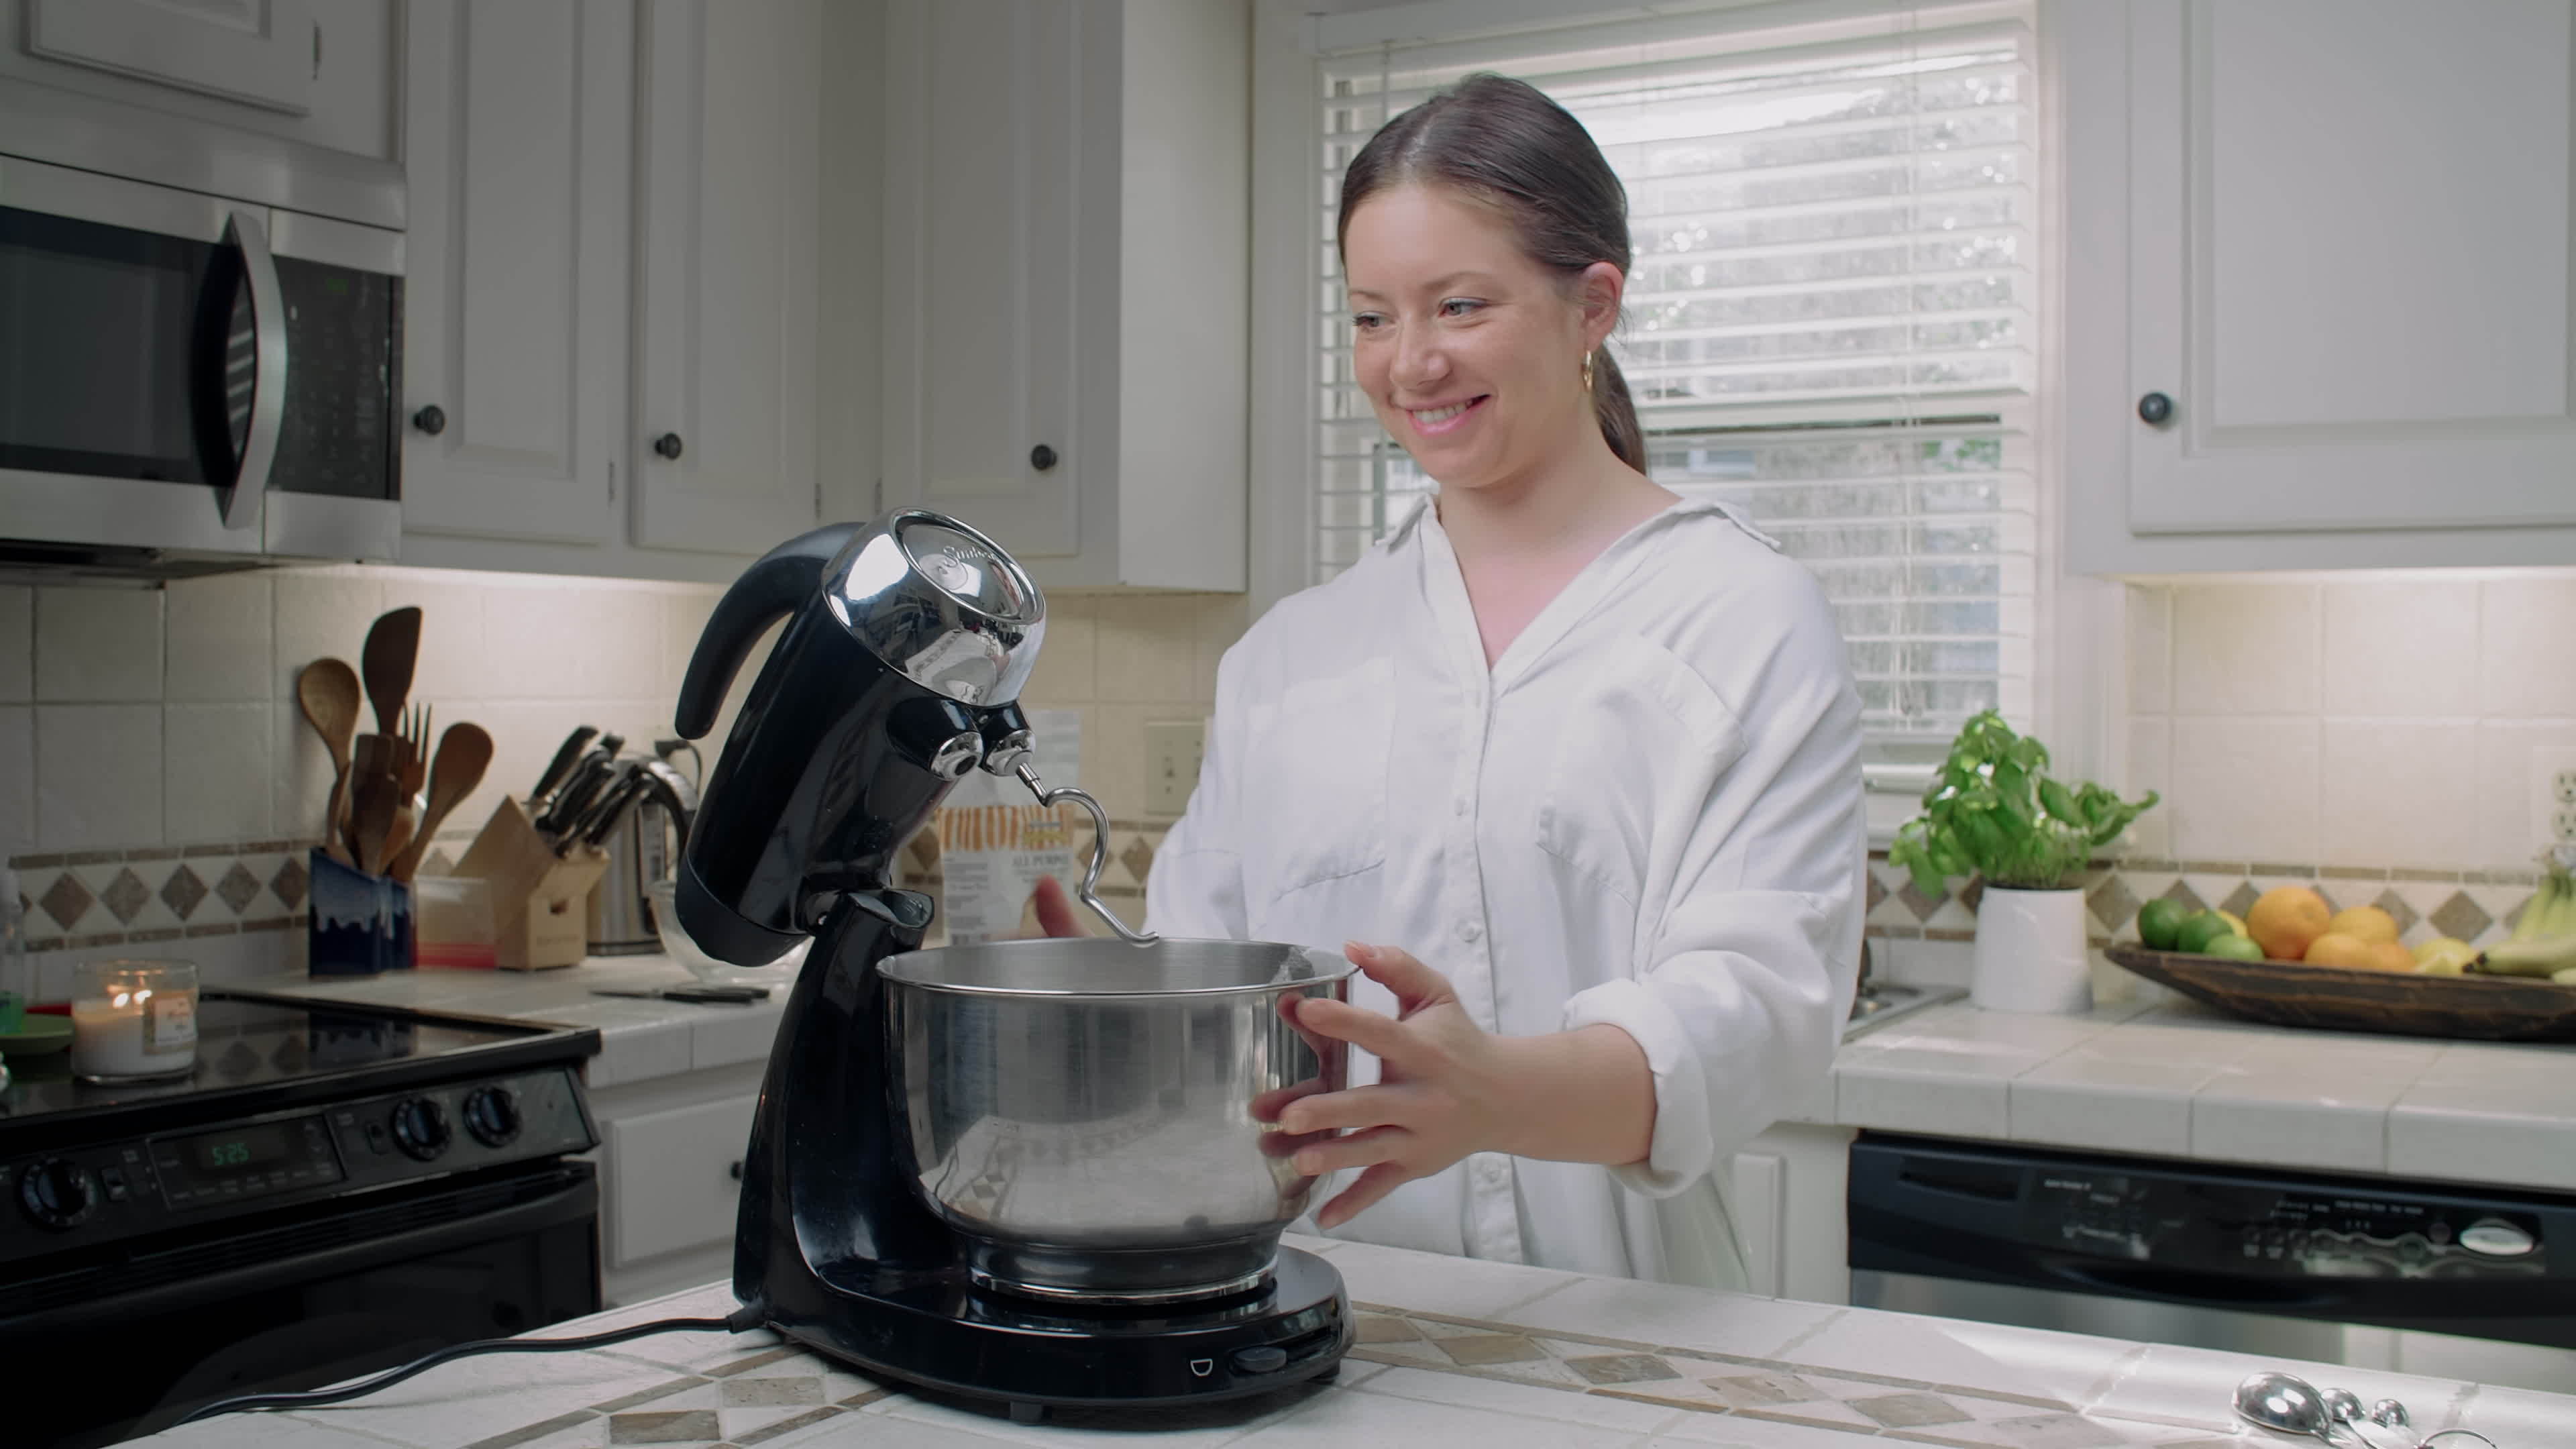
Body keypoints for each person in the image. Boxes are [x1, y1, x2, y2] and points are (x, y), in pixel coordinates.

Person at [1038, 74, 1864, 1289]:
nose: (1411, 364)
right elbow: (1215, 997)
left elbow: (1758, 1009)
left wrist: (1494, 1096)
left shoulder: (1740, 617)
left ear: (1594, 307)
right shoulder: (1290, 657)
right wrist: (1125, 1009)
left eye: (1460, 305)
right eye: (1372, 318)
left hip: (1623, 1335)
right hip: (1326, 1321)